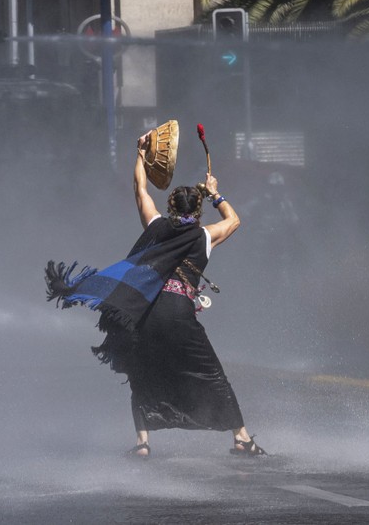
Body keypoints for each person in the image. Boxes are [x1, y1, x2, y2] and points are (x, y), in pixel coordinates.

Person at [45, 131, 266, 458]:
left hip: (145, 313)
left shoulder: (156, 227)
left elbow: (140, 190)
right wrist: (215, 193)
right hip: (179, 316)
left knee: (142, 374)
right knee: (212, 376)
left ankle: (143, 444)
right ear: (198, 212)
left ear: (170, 208)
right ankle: (241, 439)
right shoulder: (204, 237)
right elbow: (233, 221)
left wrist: (140, 155)